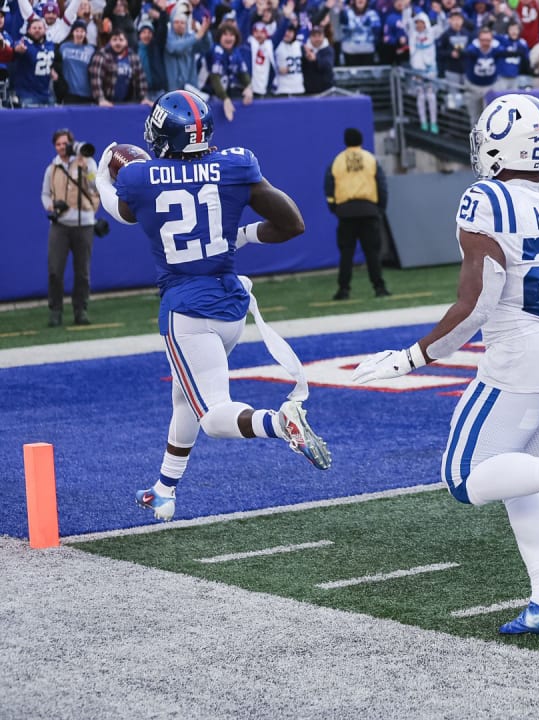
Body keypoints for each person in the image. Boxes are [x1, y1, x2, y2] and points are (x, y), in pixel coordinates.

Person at [350, 93, 539, 636]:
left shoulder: (490, 201)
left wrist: (410, 358)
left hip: (520, 359)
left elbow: (478, 305)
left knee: (463, 477)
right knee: (514, 477)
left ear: (503, 145)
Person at [94, 89, 331, 522]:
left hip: (187, 310)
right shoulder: (235, 165)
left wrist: (100, 179)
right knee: (185, 397)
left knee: (212, 414)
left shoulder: (139, 178)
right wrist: (239, 236)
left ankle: (279, 423)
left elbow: (120, 209)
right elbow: (293, 223)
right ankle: (164, 491)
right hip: (230, 307)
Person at [42, 129, 99, 327]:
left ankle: (80, 310)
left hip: (84, 223)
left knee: (82, 271)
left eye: (65, 143)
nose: (62, 147)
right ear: (55, 147)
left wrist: (85, 168)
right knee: (55, 270)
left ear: (72, 144)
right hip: (60, 225)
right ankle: (55, 311)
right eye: (58, 144)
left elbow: (95, 187)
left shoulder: (88, 162)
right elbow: (45, 194)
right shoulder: (53, 168)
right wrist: (51, 205)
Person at [325, 127, 391, 300]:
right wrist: (380, 209)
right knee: (372, 252)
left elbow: (329, 187)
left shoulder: (337, 161)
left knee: (346, 253)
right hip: (369, 210)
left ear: (345, 141)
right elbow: (381, 185)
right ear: (361, 140)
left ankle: (343, 290)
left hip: (345, 212)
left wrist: (335, 208)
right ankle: (379, 287)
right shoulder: (370, 159)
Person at [90, 27, 151, 106]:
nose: (118, 43)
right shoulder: (102, 55)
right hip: (107, 102)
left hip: (127, 102)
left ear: (126, 42)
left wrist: (144, 98)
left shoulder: (133, 56)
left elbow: (141, 79)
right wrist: (101, 99)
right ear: (110, 42)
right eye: (114, 40)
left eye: (121, 40)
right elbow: (96, 79)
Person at [301, 24, 335, 94]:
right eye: (314, 36)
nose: (317, 39)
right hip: (308, 91)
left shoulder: (328, 49)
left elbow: (328, 65)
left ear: (323, 36)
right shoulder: (303, 49)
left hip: (326, 90)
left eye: (319, 35)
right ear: (310, 37)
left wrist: (315, 59)